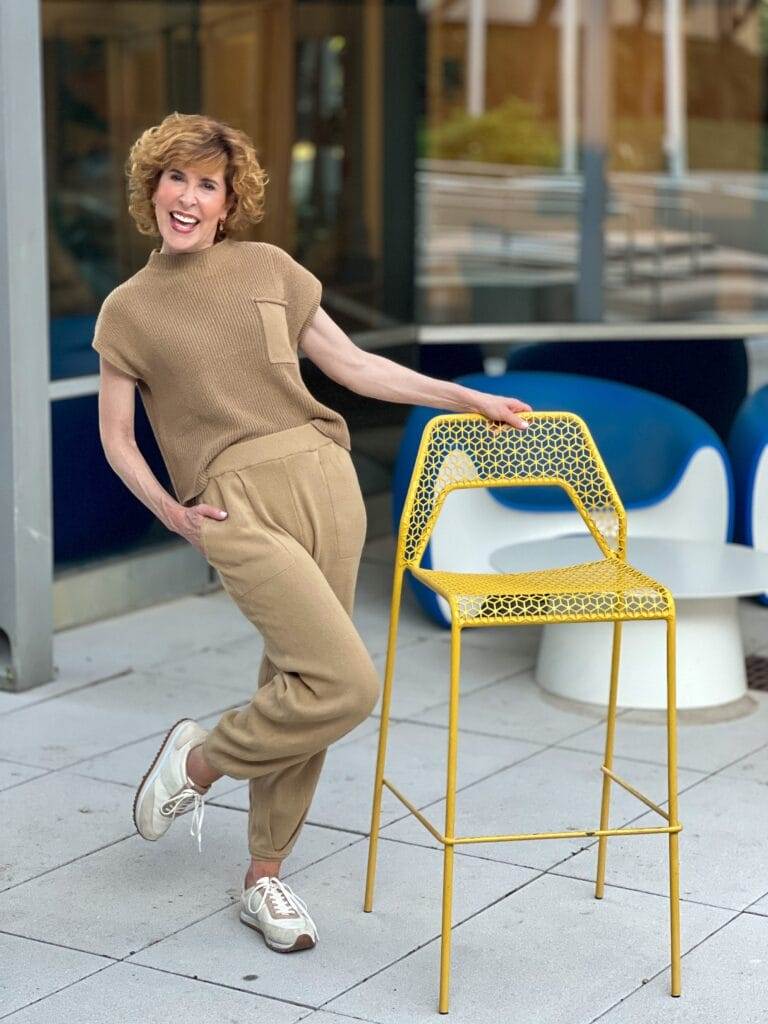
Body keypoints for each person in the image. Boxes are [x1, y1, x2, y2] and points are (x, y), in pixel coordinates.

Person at [93, 111, 531, 956]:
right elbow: (118, 437)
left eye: (207, 184)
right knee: (342, 685)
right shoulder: (129, 310)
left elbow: (355, 367)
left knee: (299, 678)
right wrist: (172, 513)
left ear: (230, 201)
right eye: (175, 179)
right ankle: (199, 763)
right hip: (232, 501)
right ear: (152, 190)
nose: (189, 197)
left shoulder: (268, 269)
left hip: (326, 480)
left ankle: (264, 875)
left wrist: (467, 396)